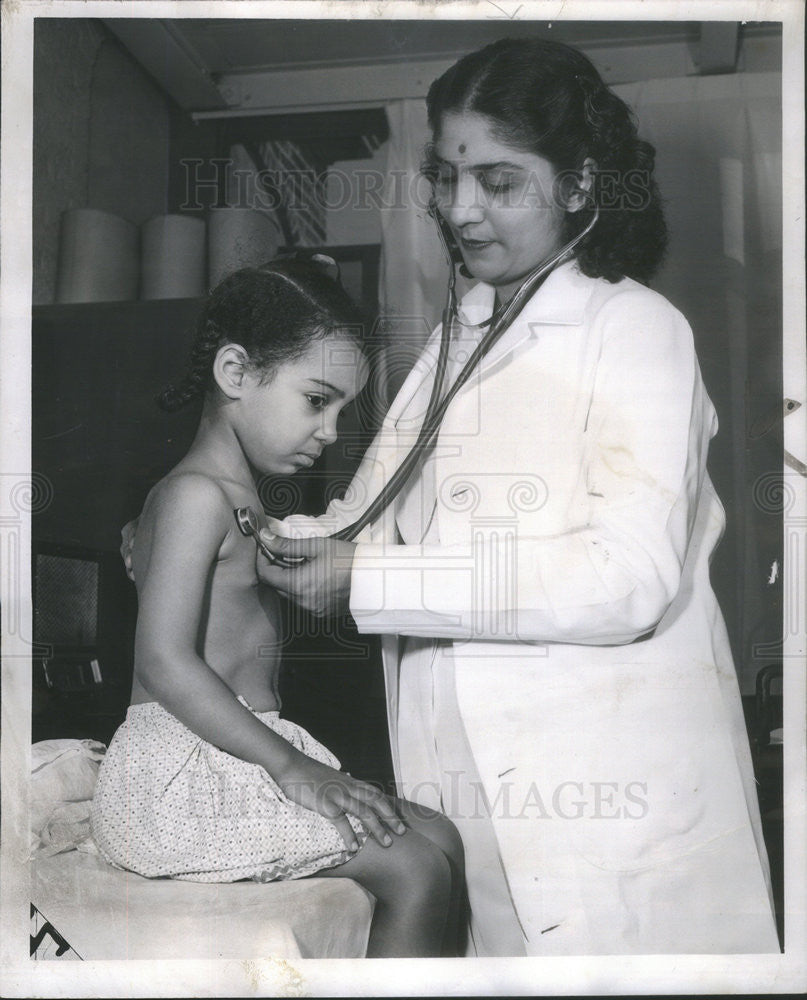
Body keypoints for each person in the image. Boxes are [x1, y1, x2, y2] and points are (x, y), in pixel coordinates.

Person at [248, 40, 780, 955]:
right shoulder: (461, 335)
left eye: (498, 181)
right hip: (465, 795)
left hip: (604, 807)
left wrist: (363, 581)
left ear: (578, 183)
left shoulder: (636, 329)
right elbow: (361, 518)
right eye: (448, 179)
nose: (460, 211)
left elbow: (625, 580)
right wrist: (240, 523)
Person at [94, 258, 464, 959]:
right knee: (413, 867)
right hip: (174, 778)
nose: (328, 431)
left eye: (340, 411)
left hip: (239, 753)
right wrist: (299, 772)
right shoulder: (194, 495)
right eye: (315, 400)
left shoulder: (246, 504)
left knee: (441, 835)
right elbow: (164, 662)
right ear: (235, 374)